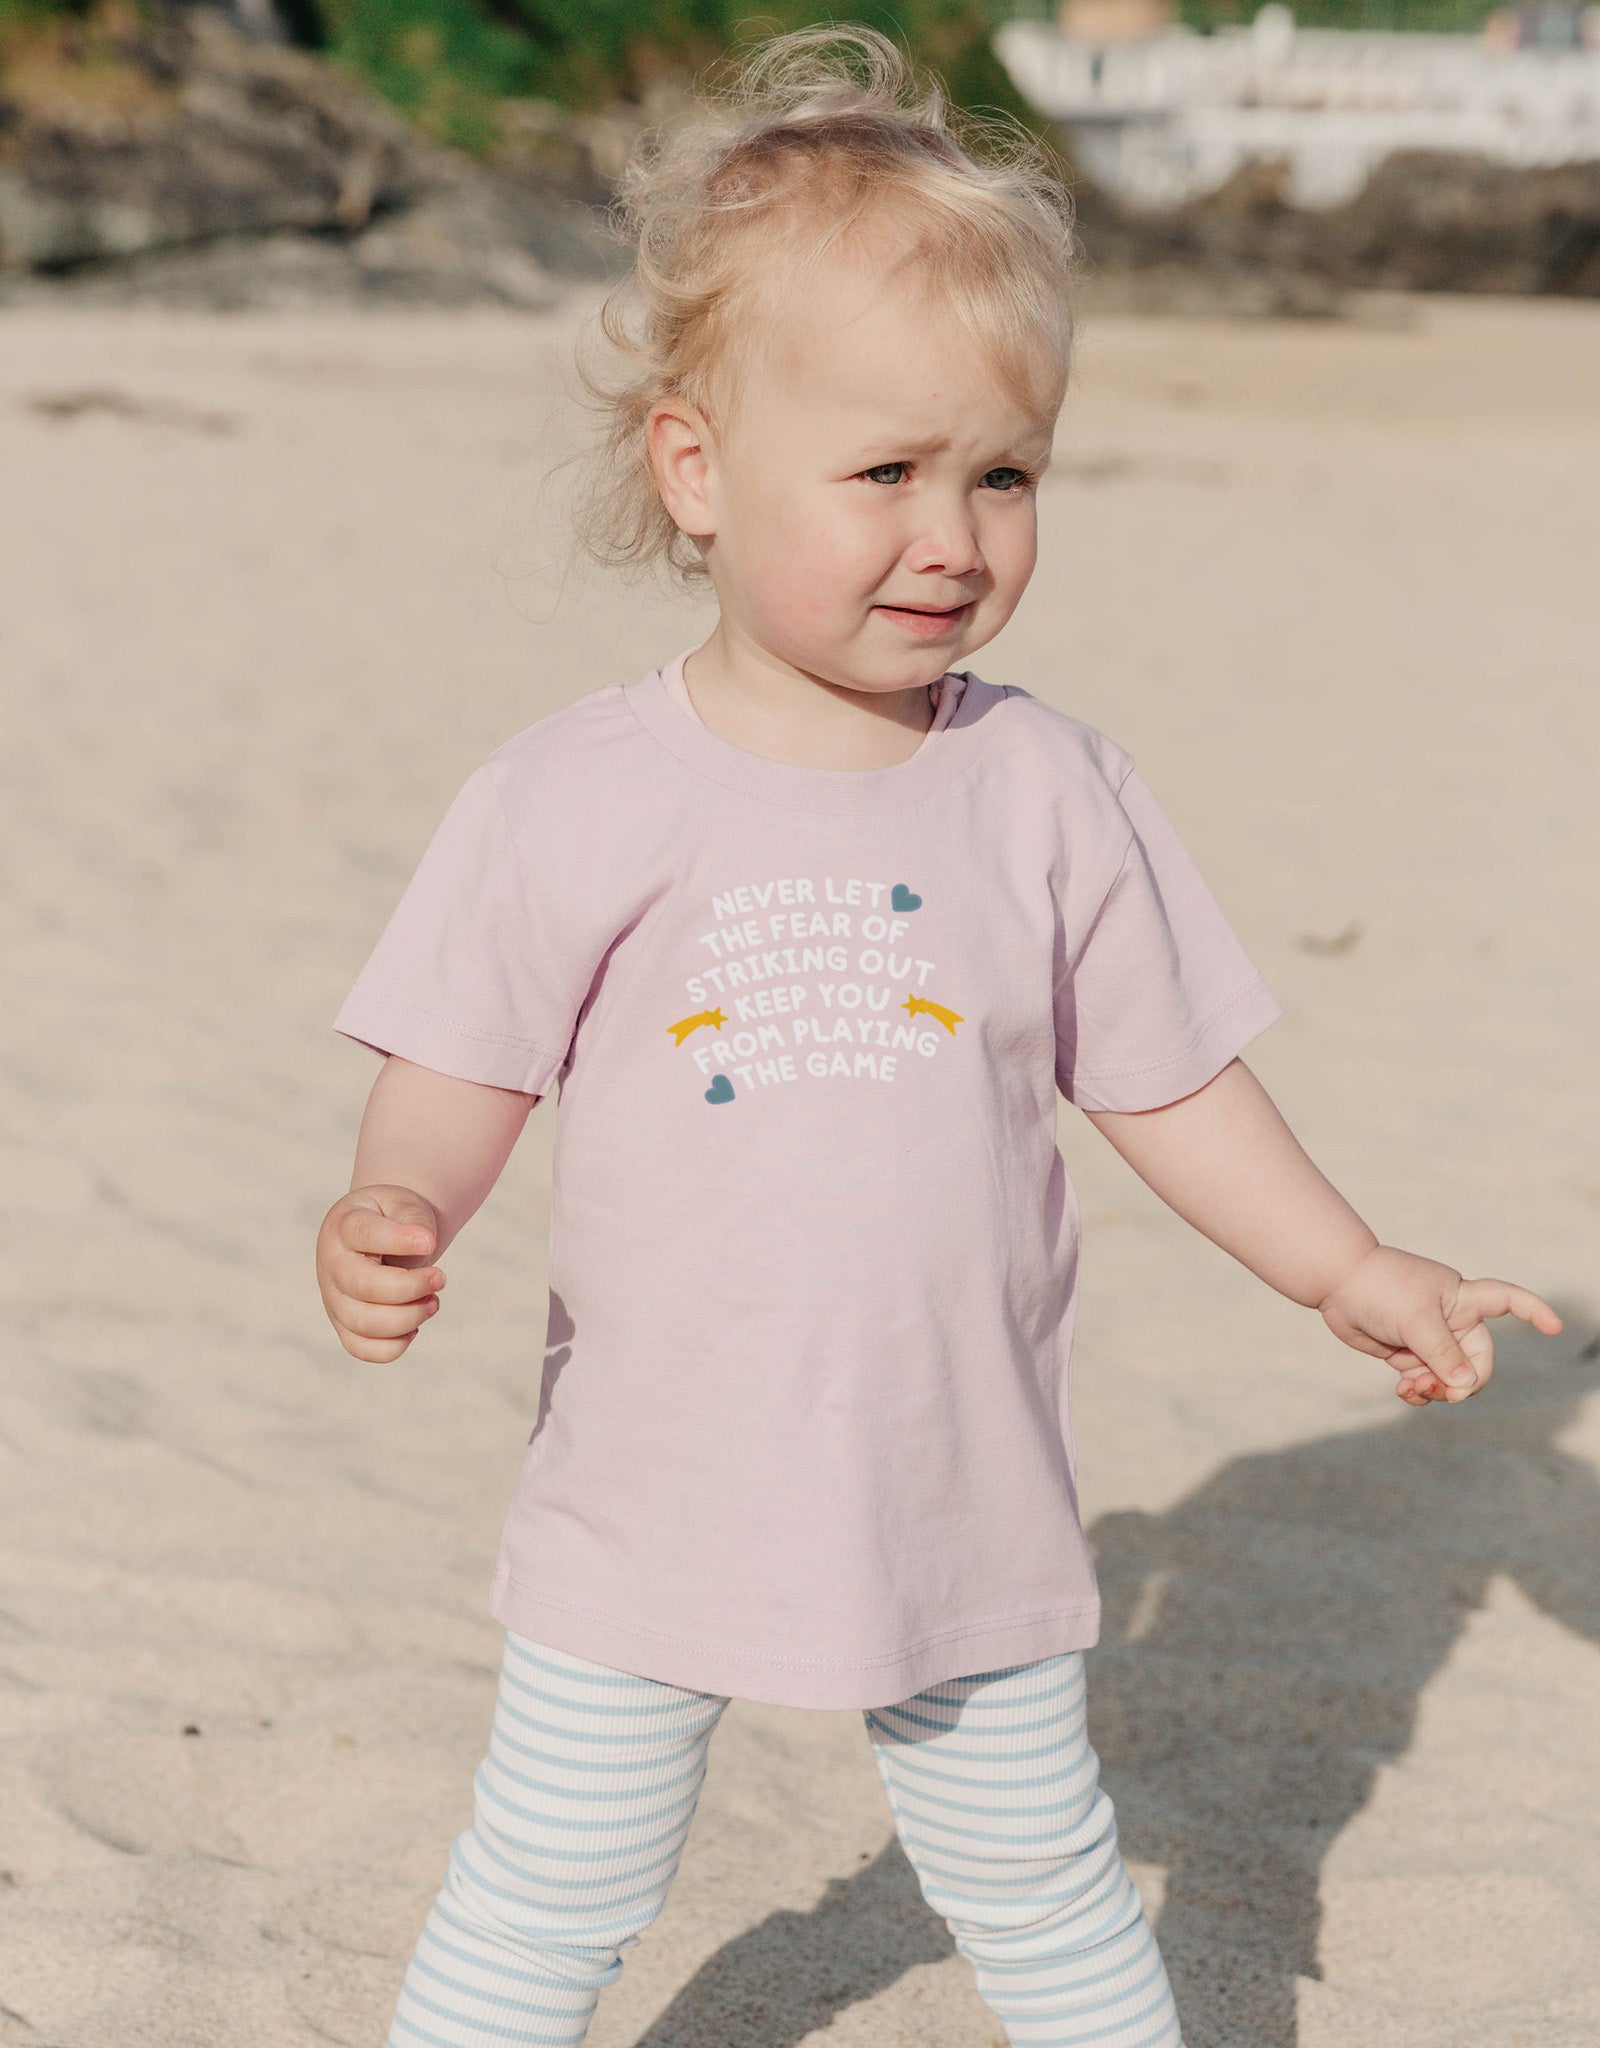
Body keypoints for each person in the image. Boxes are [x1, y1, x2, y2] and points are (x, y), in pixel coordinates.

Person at [314, 29, 1562, 2048]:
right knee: (552, 1877)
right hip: (651, 1478)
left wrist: (1346, 1265)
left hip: (957, 1471)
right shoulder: (575, 793)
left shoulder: (1041, 788)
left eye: (1003, 474)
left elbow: (1162, 1072)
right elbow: (467, 1053)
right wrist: (398, 1201)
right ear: (696, 469)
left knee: (1041, 1877)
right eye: (884, 473)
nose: (953, 537)